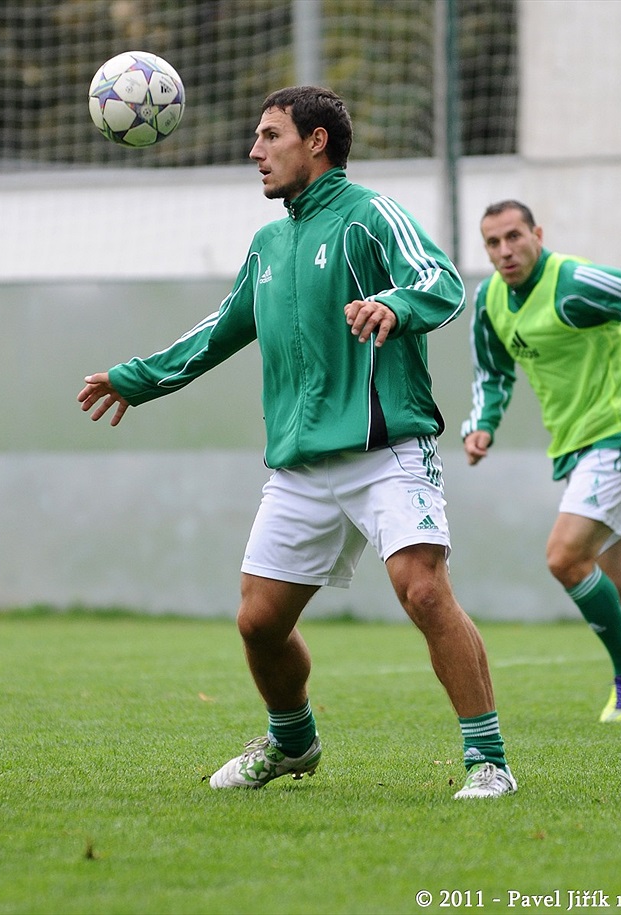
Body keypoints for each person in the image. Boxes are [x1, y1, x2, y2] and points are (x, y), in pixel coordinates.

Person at [78, 86, 517, 799]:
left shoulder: (370, 215)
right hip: (301, 465)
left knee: (424, 591)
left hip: (387, 448)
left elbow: (440, 281)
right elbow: (220, 330)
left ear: (316, 142)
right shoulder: (269, 243)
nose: (256, 151)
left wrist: (394, 304)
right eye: (257, 138)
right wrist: (136, 378)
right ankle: (292, 742)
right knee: (258, 621)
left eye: (270, 135)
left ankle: (488, 759)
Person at [462, 199, 621, 723]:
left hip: (619, 434)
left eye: (514, 237)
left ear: (537, 234)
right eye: (493, 243)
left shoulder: (577, 281)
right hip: (574, 448)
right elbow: (492, 372)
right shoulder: (491, 300)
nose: (505, 251)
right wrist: (482, 424)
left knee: (565, 557)